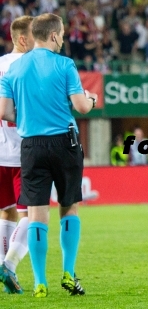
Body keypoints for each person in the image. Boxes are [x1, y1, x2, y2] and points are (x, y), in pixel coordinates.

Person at [0, 13, 98, 297]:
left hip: (30, 147)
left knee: (35, 213)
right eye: (63, 34)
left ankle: (39, 281)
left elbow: (4, 112)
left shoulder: (14, 69)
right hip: (64, 144)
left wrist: (29, 117)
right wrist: (91, 99)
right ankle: (68, 273)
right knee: (69, 207)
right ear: (53, 35)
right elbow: (81, 106)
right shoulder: (65, 64)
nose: (64, 38)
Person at [0, 16, 34, 294]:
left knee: (6, 211)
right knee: (33, 214)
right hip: (25, 150)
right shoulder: (28, 66)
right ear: (23, 39)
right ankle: (8, 265)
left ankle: (3, 268)